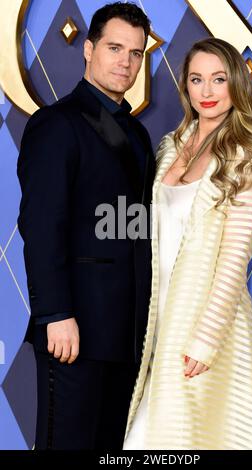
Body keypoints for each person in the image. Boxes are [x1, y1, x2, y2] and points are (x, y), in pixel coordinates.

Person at [123, 37, 252, 450]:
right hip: (159, 321)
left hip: (207, 329)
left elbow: (234, 260)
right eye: (197, 79)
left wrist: (205, 339)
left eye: (218, 79)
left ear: (236, 85)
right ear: (185, 86)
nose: (206, 92)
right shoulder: (171, 148)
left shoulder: (245, 156)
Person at [17, 2, 155, 450]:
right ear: (88, 49)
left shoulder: (137, 134)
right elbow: (40, 228)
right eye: (115, 48)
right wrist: (56, 315)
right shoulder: (56, 125)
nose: (126, 62)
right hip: (73, 329)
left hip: (128, 331)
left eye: (136, 53)